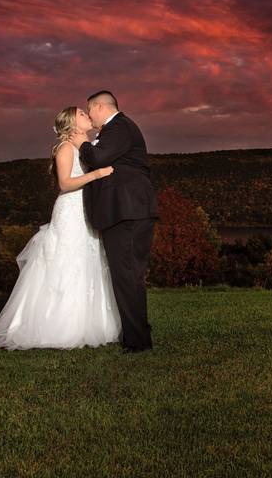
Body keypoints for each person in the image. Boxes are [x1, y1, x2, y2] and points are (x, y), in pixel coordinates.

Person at [0, 106, 120, 350]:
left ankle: (89, 323)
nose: (87, 116)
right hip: (70, 211)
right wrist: (98, 174)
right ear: (72, 123)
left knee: (87, 260)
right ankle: (57, 326)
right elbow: (65, 183)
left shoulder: (84, 147)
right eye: (82, 114)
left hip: (85, 210)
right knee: (67, 261)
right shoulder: (65, 148)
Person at [69, 90, 159, 353]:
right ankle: (137, 333)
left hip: (128, 211)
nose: (89, 116)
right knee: (127, 275)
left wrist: (82, 144)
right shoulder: (119, 128)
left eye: (89, 110)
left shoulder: (118, 126)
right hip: (126, 210)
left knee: (127, 275)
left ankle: (138, 342)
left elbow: (97, 158)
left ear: (99, 107)